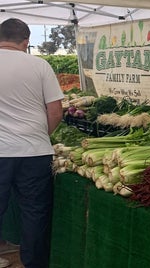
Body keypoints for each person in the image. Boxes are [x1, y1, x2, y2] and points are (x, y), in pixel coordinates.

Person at [0, 18, 64, 268]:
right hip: (35, 154)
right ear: (26, 41)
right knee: (34, 212)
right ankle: (34, 263)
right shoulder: (40, 65)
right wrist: (40, 135)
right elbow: (56, 111)